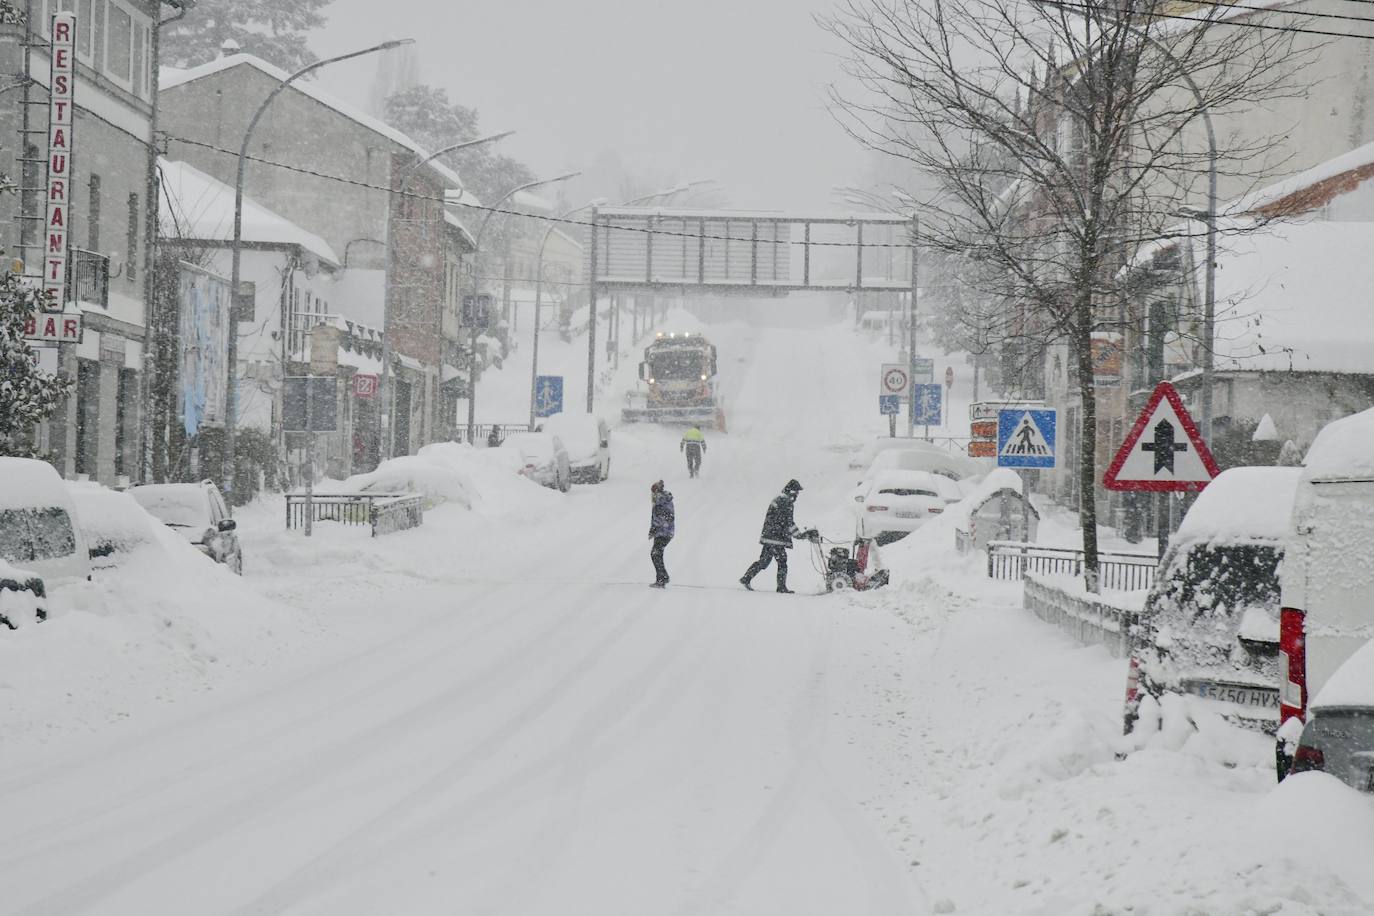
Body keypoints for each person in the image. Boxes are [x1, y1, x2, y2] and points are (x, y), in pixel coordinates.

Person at [740, 479, 807, 593]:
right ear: (792, 491)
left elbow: (782, 521)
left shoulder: (779, 499)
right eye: (797, 492)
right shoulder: (786, 502)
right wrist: (799, 535)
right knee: (782, 562)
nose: (797, 495)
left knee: (764, 561)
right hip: (776, 538)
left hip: (770, 536)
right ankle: (781, 587)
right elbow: (788, 522)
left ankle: (746, 578)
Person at [648, 480, 675, 588]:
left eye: (653, 492)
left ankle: (662, 579)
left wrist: (658, 526)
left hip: (664, 532)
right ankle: (663, 577)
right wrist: (653, 529)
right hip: (662, 532)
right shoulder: (661, 500)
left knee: (655, 554)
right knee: (657, 554)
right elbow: (655, 518)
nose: (652, 495)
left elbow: (668, 516)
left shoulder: (662, 501)